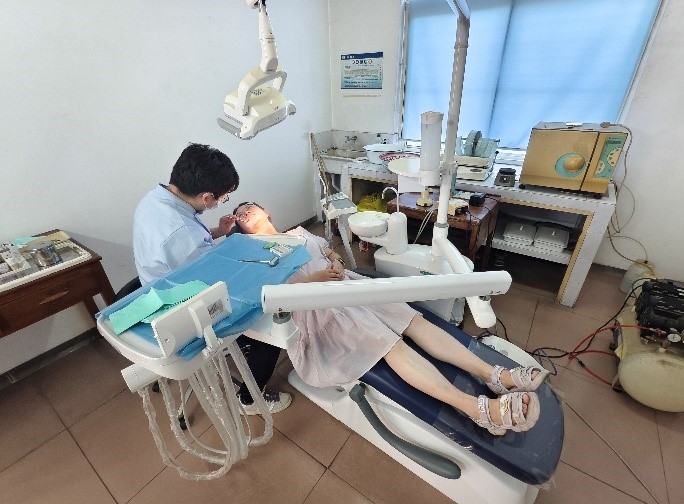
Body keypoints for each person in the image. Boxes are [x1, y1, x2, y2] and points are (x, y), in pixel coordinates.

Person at [233, 202, 550, 435]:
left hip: (348, 286)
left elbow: (328, 251)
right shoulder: (254, 253)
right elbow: (272, 294)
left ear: (266, 211)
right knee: (390, 344)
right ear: (240, 228)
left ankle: (493, 375)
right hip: (320, 309)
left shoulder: (299, 233)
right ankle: (476, 409)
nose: (244, 212)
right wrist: (318, 279)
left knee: (413, 320)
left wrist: (337, 261)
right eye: (239, 214)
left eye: (249, 207)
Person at [132, 143, 291, 415]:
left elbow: (188, 243)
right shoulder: (183, 234)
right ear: (207, 197)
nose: (244, 213)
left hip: (157, 288)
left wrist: (217, 231)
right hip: (180, 314)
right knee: (271, 323)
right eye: (226, 199)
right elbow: (218, 286)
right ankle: (250, 400)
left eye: (251, 208)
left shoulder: (155, 199)